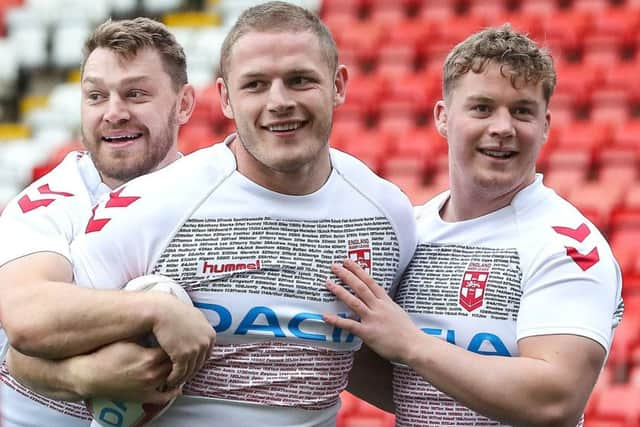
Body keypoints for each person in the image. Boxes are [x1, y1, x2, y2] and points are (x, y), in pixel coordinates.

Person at [66, 2, 417, 426]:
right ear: (226, 98)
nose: (279, 101)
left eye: (300, 80)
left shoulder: (387, 214)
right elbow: (29, 345)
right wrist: (83, 375)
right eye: (255, 85)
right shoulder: (153, 204)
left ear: (339, 85)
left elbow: (383, 366)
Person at [324, 25, 623, 426]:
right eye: (482, 108)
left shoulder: (568, 245)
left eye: (522, 111)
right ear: (443, 118)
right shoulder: (410, 230)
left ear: (546, 126)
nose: (503, 127)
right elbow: (412, 389)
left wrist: (413, 345)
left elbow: (555, 400)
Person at [0, 17, 215, 427]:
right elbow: (26, 317)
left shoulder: (219, 197)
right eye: (96, 96)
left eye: (135, 94)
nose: (114, 113)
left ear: (184, 103)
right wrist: (154, 310)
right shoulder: (45, 205)